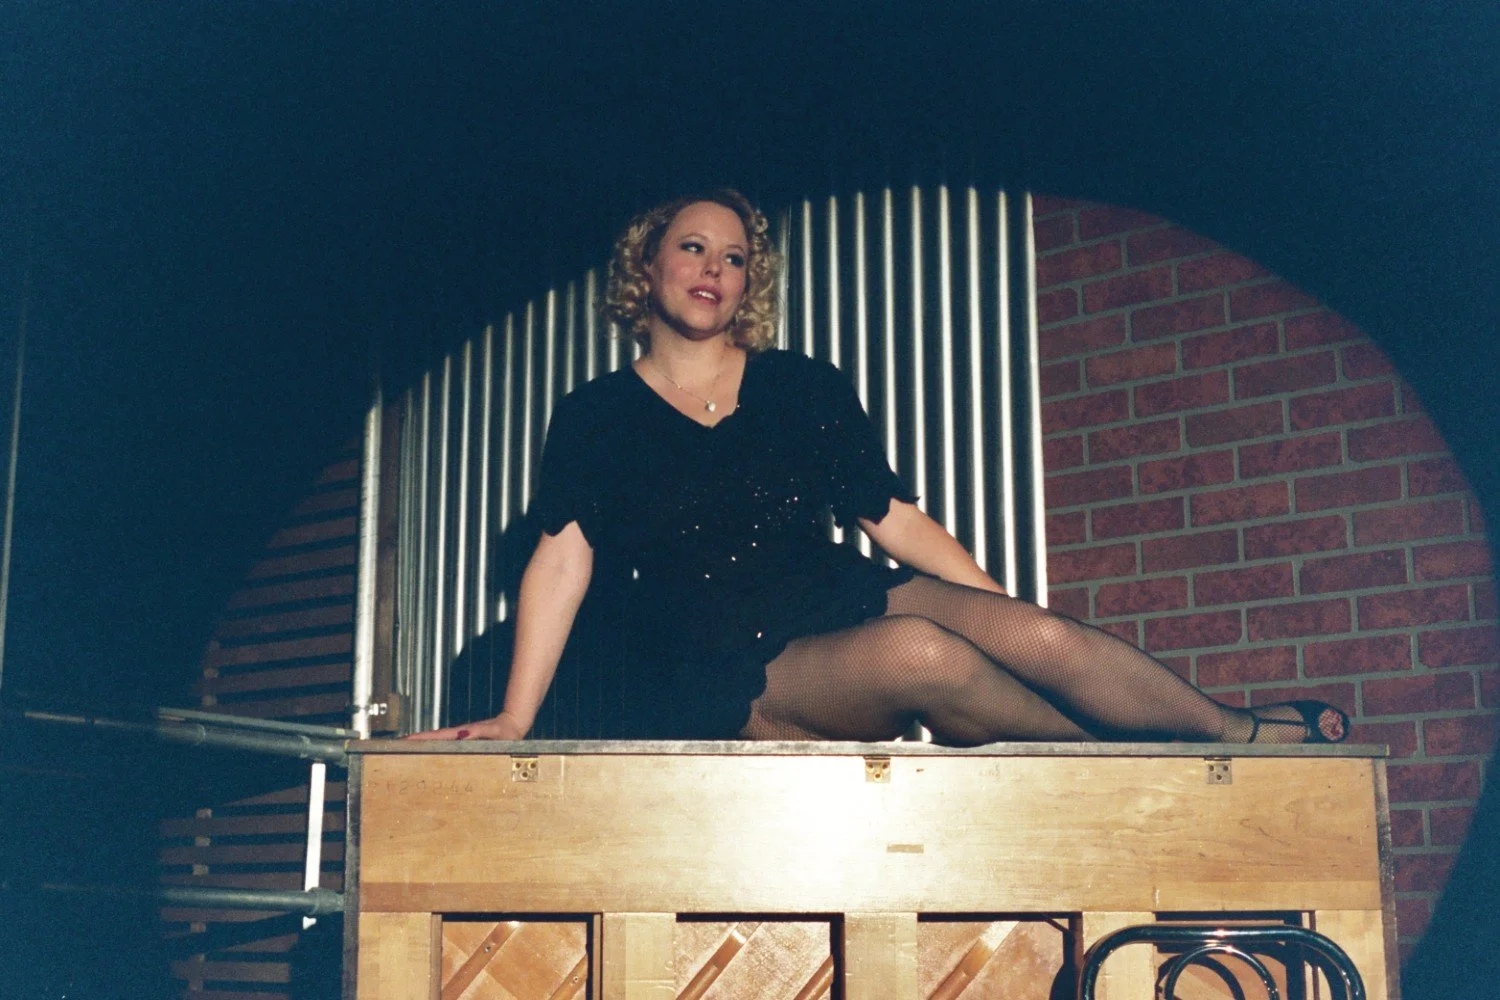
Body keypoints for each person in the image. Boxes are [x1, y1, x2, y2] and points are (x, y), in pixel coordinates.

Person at [409, 189, 1349, 746]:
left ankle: (1240, 735)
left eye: (734, 257)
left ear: (748, 283)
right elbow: (561, 560)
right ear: (645, 268)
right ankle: (1123, 755)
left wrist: (1010, 619)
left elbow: (889, 517)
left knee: (1040, 639)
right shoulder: (596, 415)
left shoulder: (802, 386)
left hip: (833, 591)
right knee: (923, 656)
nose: (714, 269)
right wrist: (515, 719)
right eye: (692, 247)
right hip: (723, 654)